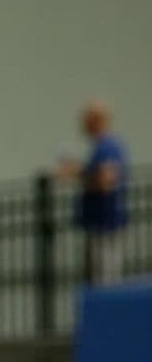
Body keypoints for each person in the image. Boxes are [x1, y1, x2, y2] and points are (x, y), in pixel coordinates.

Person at [55, 99, 130, 285]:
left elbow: (106, 181)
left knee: (104, 282)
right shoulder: (103, 148)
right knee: (97, 280)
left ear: (96, 120)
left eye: (87, 119)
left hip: (106, 226)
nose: (83, 124)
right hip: (98, 225)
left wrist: (77, 173)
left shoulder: (108, 147)